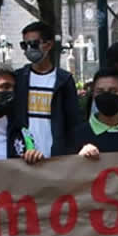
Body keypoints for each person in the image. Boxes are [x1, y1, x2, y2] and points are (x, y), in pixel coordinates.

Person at [12, 21, 78, 157]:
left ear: (48, 45)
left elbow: (73, 121)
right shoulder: (18, 79)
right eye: (25, 45)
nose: (29, 49)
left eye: (34, 44)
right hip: (23, 155)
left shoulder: (64, 80)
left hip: (55, 157)